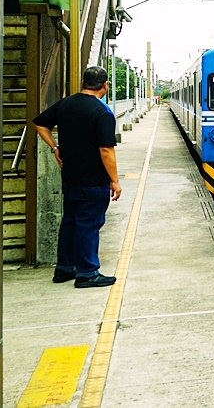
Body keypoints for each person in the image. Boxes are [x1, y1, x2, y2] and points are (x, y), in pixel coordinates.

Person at [33, 65, 122, 288]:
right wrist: (115, 180)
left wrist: (55, 148)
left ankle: (64, 268)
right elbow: (106, 150)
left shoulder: (66, 104)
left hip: (70, 176)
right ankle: (88, 273)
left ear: (83, 82)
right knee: (89, 225)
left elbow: (39, 123)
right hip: (94, 180)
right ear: (105, 85)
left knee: (70, 222)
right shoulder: (102, 112)